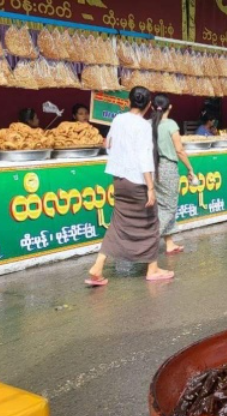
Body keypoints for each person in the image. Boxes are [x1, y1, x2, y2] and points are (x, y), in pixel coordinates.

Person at [85, 87, 173, 286]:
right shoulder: (143, 126)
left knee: (118, 223)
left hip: (119, 179)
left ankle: (97, 267)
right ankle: (152, 269)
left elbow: (108, 143)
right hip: (137, 181)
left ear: (128, 101)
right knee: (151, 223)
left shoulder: (117, 119)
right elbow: (144, 158)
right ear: (149, 105)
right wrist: (150, 187)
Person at [151, 94, 196, 254]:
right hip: (168, 168)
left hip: (153, 168)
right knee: (169, 207)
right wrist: (190, 169)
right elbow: (179, 150)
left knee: (161, 205)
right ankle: (148, 243)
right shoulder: (170, 124)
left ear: (151, 107)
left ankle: (169, 243)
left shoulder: (149, 124)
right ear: (170, 107)